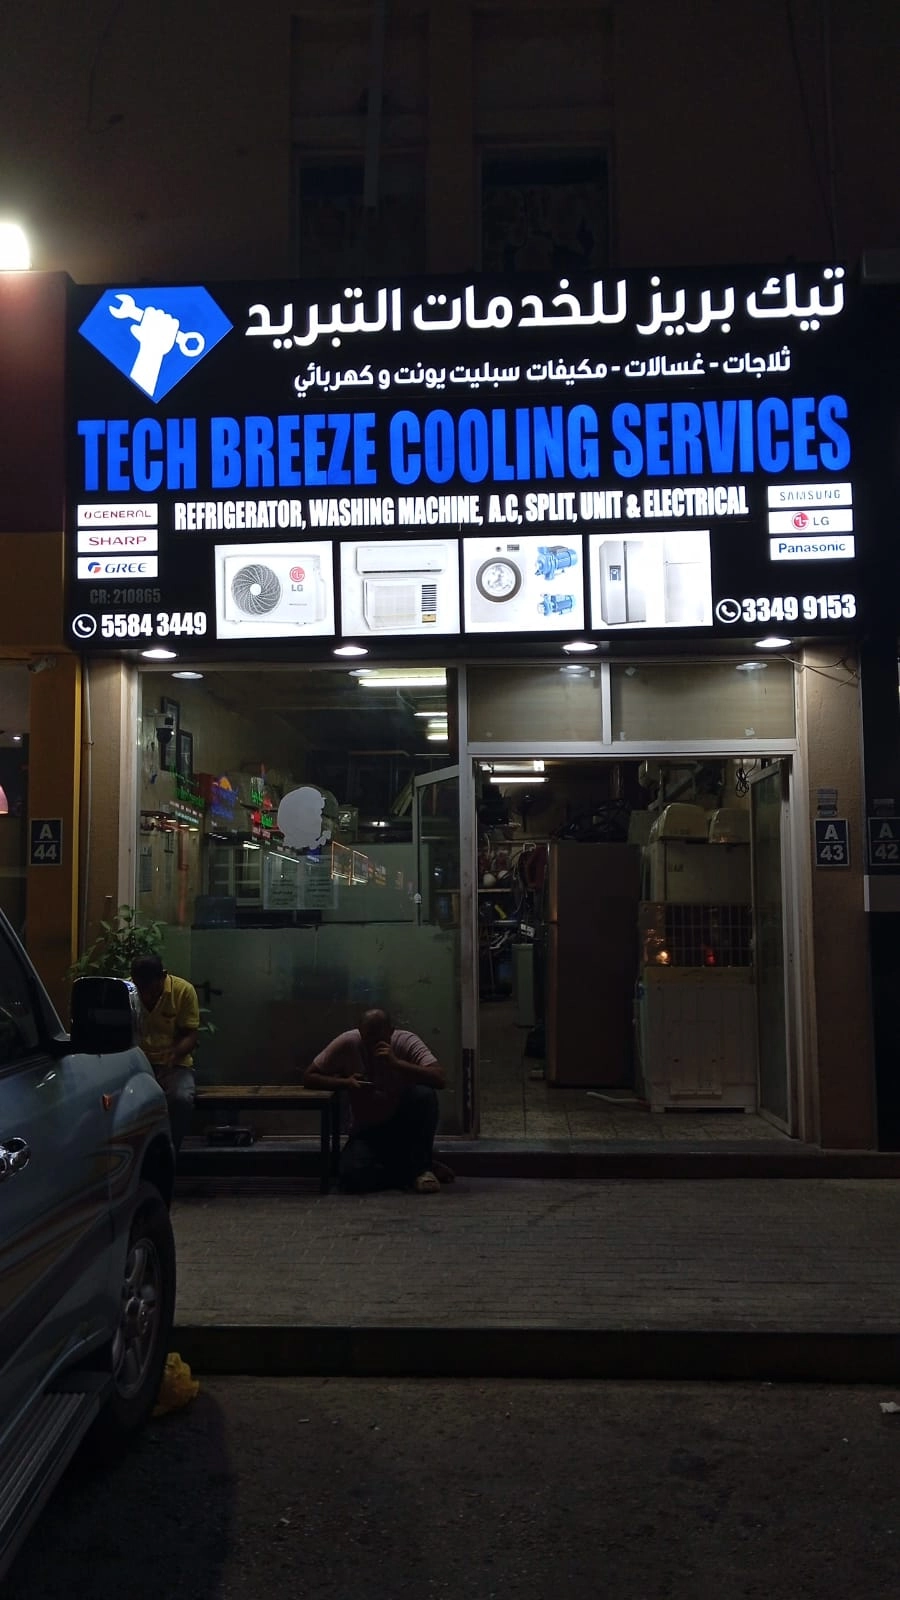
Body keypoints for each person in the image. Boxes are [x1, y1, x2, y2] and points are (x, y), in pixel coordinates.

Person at [305, 1008, 452, 1194]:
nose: (373, 1046)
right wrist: (346, 1083)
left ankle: (418, 1166)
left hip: (403, 1127)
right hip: (367, 1130)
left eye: (379, 1040)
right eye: (368, 1039)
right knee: (351, 1177)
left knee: (423, 1094)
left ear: (391, 1032)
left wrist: (397, 1064)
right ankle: (411, 1170)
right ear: (360, 1032)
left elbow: (440, 1078)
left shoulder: (406, 1041)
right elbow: (310, 1076)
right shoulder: (348, 1042)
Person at [130, 954, 200, 1153]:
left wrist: (174, 1054)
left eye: (152, 991)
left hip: (175, 1065)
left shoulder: (183, 991)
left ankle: (170, 1152)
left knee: (180, 1098)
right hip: (135, 1064)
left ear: (163, 976)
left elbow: (191, 1035)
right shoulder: (127, 992)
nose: (146, 997)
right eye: (141, 990)